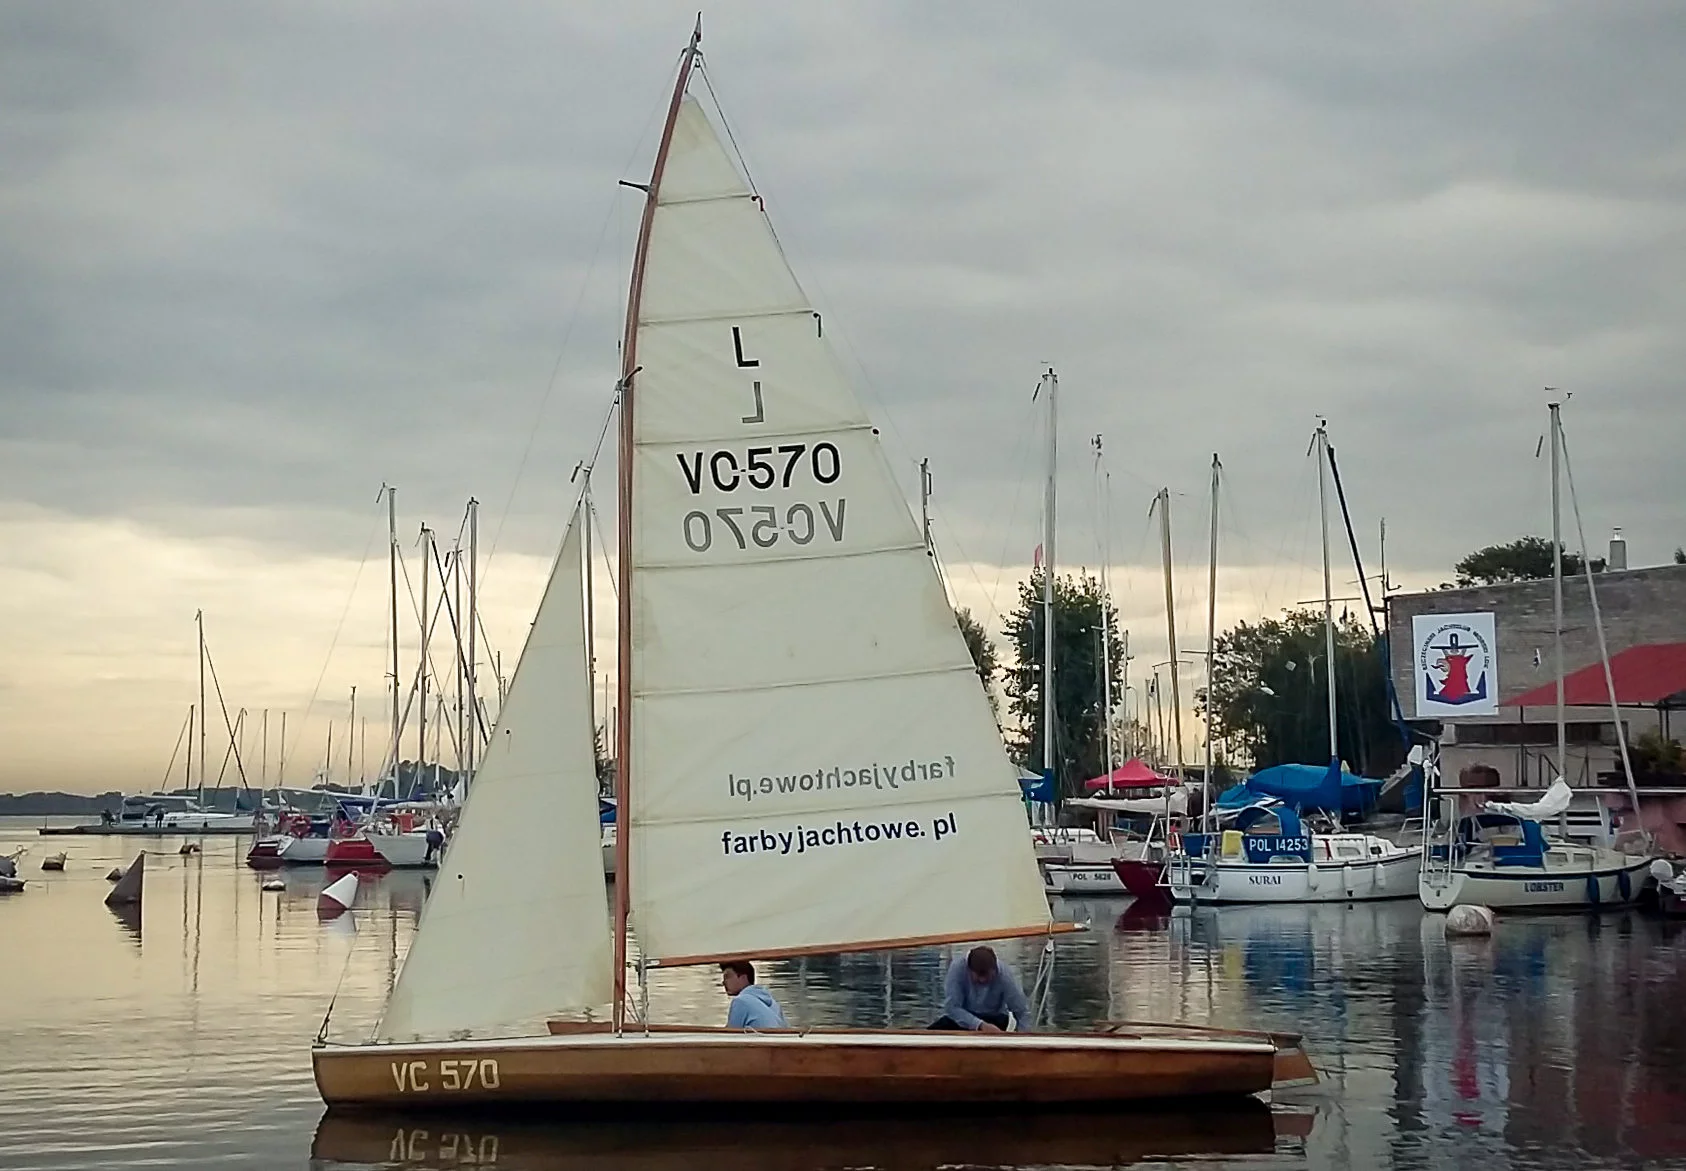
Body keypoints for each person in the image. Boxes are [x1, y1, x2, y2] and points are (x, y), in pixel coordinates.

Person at [928, 945, 1032, 1032]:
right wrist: (980, 1025)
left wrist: (1022, 1038)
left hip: (995, 1018)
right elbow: (952, 1007)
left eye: (987, 975)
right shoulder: (957, 969)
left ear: (995, 969)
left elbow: (1022, 1012)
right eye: (979, 975)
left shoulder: (1005, 975)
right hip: (963, 1017)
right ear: (969, 970)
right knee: (928, 1035)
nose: (982, 980)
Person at [720, 960, 787, 1030]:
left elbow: (730, 1033)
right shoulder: (774, 1003)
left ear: (743, 977)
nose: (723, 982)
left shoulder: (740, 1001)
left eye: (727, 977)